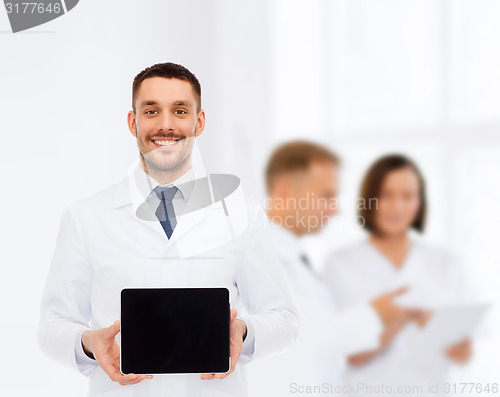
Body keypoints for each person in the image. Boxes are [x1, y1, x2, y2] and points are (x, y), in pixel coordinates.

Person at [38, 62, 299, 397]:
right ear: (133, 122)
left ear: (198, 122)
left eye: (179, 110)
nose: (165, 125)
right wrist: (88, 343)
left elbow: (284, 319)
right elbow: (51, 325)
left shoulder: (241, 216)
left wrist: (243, 333)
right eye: (151, 111)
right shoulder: (85, 217)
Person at [248, 141, 397, 396]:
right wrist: (374, 316)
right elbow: (299, 340)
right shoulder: (257, 254)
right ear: (284, 192)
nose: (334, 209)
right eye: (326, 196)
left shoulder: (297, 258)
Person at [323, 154, 473, 396]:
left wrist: (429, 325)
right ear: (370, 199)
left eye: (407, 196)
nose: (397, 206)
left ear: (419, 202)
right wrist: (404, 315)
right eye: (386, 195)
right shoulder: (341, 264)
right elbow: (354, 355)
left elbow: (463, 353)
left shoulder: (446, 263)